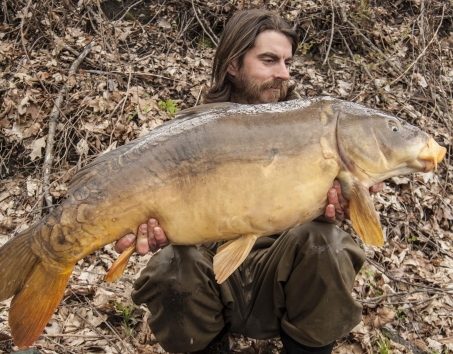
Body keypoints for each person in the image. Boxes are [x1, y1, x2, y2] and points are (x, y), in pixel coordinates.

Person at [115, 9, 382, 353]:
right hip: (212, 283)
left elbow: (334, 216)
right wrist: (152, 231)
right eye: (269, 60)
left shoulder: (314, 131)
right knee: (171, 265)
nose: (282, 74)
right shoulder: (191, 136)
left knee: (325, 241)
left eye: (287, 63)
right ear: (232, 64)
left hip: (280, 280)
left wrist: (340, 205)